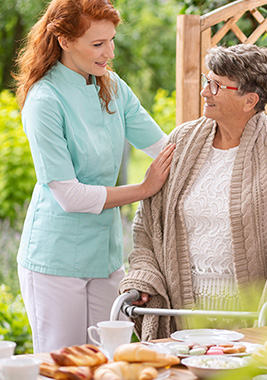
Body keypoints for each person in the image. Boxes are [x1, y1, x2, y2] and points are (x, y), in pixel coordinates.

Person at [119, 44, 267, 341]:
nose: (204, 92)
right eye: (205, 80)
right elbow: (149, 224)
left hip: (251, 317)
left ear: (250, 100)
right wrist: (143, 275)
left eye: (216, 85)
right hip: (181, 317)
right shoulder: (183, 140)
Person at [14, 0, 175, 353]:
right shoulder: (44, 99)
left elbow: (165, 148)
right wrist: (144, 189)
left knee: (113, 359)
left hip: (104, 257)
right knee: (65, 366)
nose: (109, 53)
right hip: (55, 261)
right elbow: (69, 196)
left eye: (112, 40)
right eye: (98, 44)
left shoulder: (112, 86)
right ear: (64, 40)